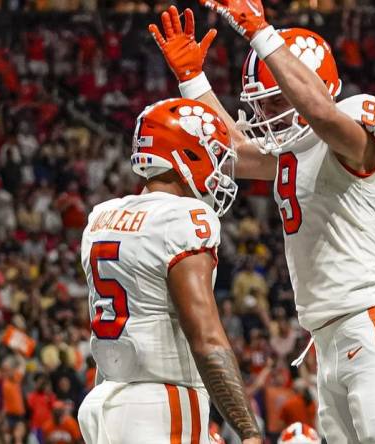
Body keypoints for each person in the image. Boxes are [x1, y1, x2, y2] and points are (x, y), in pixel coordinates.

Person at [150, 3, 375, 442]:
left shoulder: (359, 117)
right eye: (265, 104)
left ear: (318, 84)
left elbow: (322, 116)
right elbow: (237, 153)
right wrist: (194, 80)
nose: (270, 114)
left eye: (279, 99)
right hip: (326, 337)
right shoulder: (295, 152)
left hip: (372, 322)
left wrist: (261, 33)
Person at [77, 97, 261, 444]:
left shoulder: (101, 218)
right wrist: (249, 432)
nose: (218, 169)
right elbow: (206, 338)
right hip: (161, 403)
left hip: (103, 401)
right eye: (214, 155)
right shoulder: (185, 219)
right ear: (186, 155)